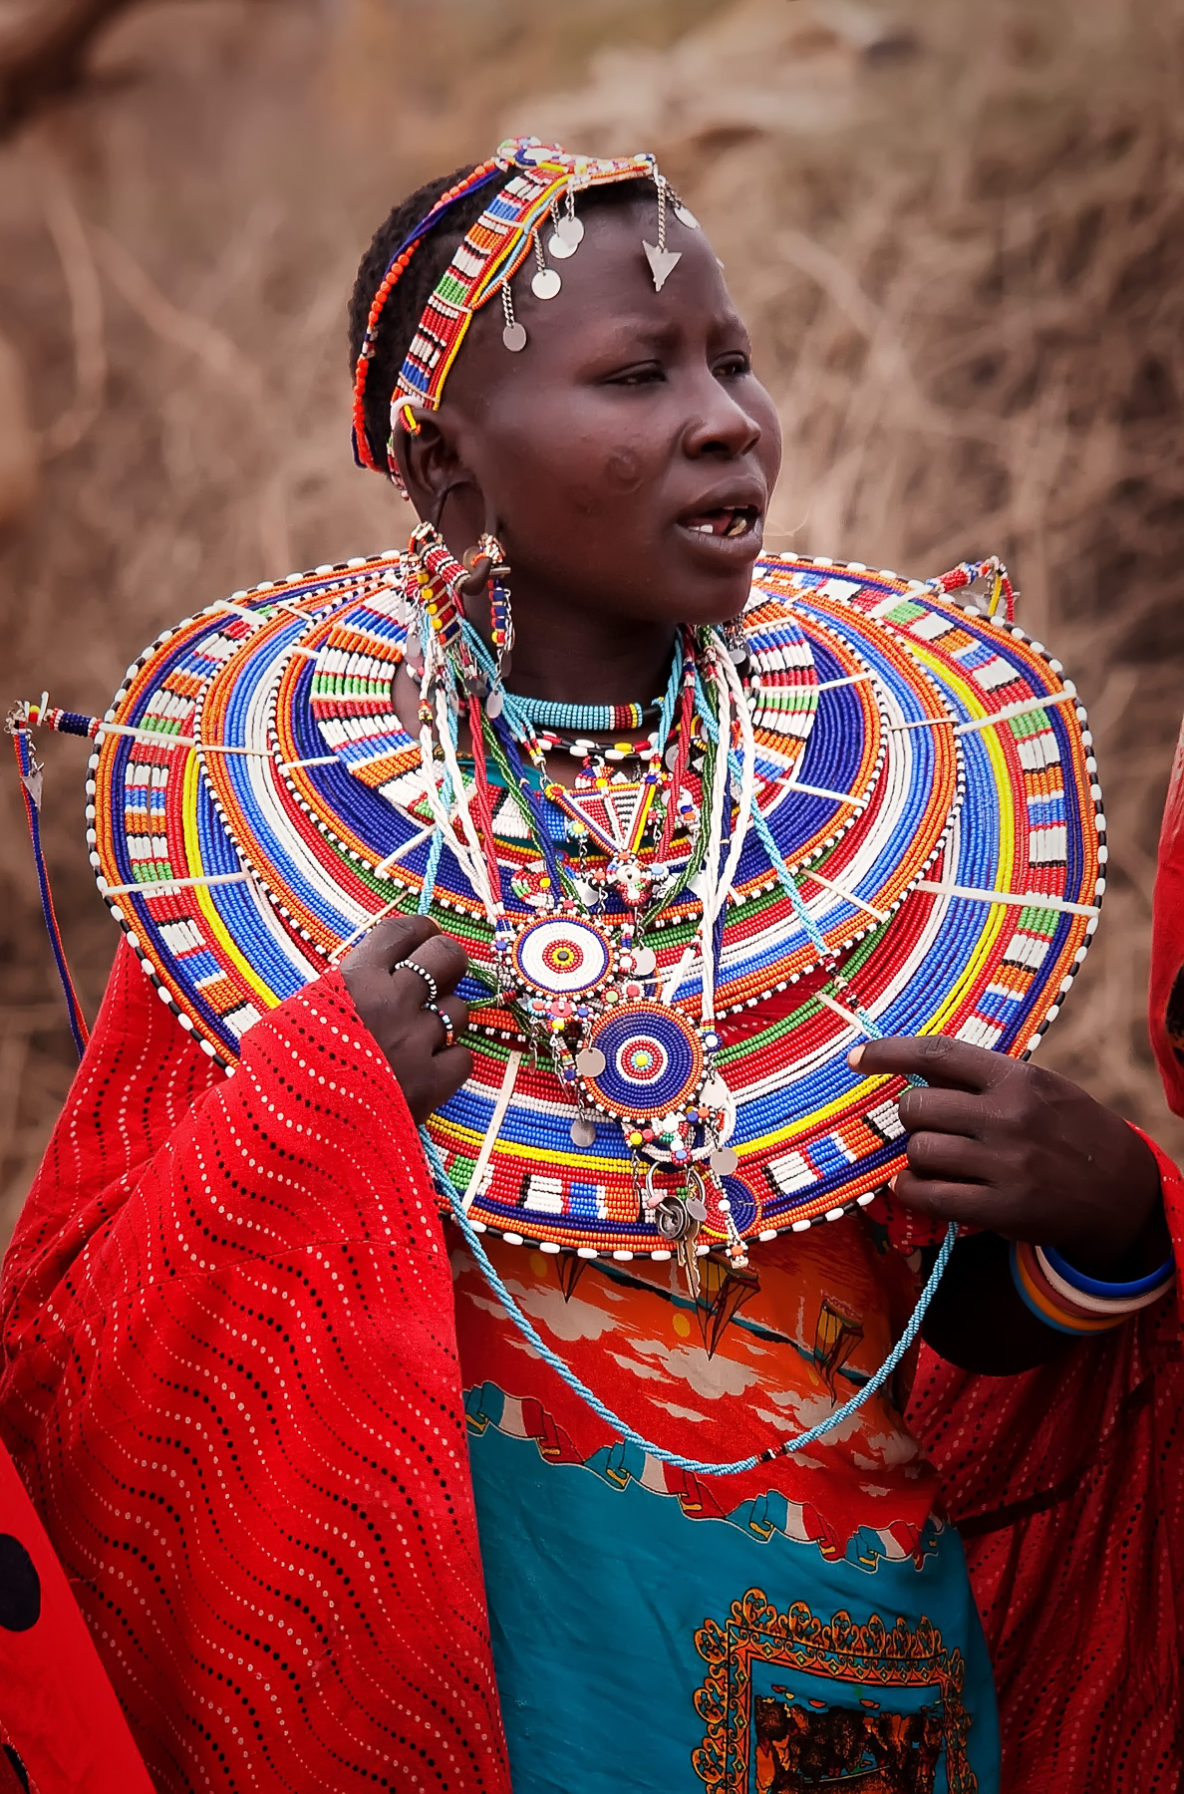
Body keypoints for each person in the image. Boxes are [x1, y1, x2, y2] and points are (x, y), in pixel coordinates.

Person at [1, 138, 1181, 1794]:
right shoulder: (270, 848)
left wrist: (1109, 1219)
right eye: (638, 374)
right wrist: (316, 1101)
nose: (724, 418)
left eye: (734, 361)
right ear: (447, 476)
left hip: (877, 1711)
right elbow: (76, 1364)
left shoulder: (883, 810)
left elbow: (945, 1332)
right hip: (505, 1708)